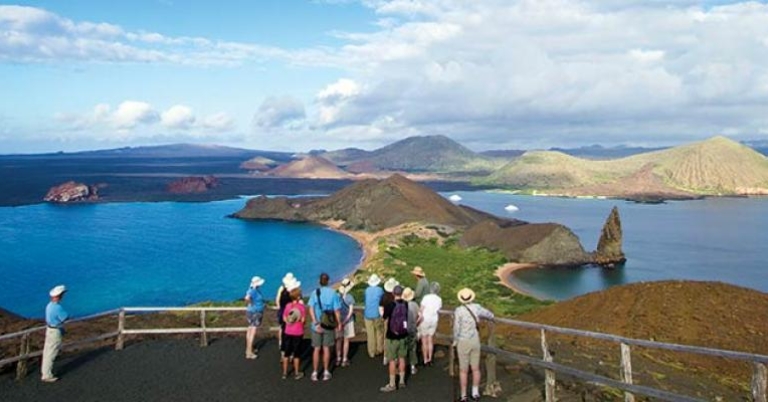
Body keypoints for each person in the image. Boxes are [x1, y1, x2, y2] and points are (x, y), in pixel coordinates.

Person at [453, 288, 495, 402]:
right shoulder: (477, 307)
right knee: (475, 368)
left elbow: (456, 328)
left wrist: (455, 341)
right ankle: (475, 392)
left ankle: (463, 395)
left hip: (463, 341)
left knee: (463, 370)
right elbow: (490, 315)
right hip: (474, 340)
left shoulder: (458, 311)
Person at [308, 272, 342, 381]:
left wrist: (315, 322)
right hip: (328, 324)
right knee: (326, 348)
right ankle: (326, 371)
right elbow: (337, 311)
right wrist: (339, 323)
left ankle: (315, 372)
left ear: (319, 281)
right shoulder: (333, 293)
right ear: (328, 281)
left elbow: (311, 309)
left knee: (316, 349)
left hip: (316, 325)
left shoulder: (315, 293)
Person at [379, 285, 409, 392]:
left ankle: (392, 384)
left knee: (392, 360)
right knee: (402, 358)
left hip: (391, 336)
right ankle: (402, 381)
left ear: (393, 293)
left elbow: (384, 317)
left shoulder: (390, 305)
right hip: (403, 335)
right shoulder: (406, 304)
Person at [41, 285, 69, 382]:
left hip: (49, 329)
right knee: (51, 353)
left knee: (47, 352)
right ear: (59, 296)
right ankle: (47, 375)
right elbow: (65, 317)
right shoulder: (57, 307)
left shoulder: (49, 305)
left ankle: (45, 372)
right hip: (55, 331)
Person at [281, 279, 305, 380]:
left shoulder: (288, 306)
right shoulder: (301, 307)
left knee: (287, 353)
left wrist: (288, 322)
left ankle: (284, 373)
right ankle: (296, 372)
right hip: (298, 332)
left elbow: (284, 317)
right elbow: (303, 320)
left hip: (288, 331)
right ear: (298, 297)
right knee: (296, 353)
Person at [419, 281, 442, 366]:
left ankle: (425, 359)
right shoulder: (439, 299)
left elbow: (421, 309)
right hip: (433, 320)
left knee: (424, 340)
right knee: (430, 340)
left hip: (425, 319)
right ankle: (430, 359)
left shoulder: (426, 297)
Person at [335, 277, 356, 367]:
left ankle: (338, 358)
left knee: (339, 340)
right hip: (348, 321)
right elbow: (350, 312)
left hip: (338, 320)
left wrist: (340, 321)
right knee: (346, 340)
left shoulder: (337, 296)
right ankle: (344, 359)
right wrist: (346, 321)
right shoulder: (349, 297)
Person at [364, 274, 385, 359]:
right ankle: (379, 349)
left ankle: (371, 352)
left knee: (370, 333)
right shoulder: (380, 290)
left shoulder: (367, 290)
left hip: (367, 314)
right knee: (379, 332)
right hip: (377, 313)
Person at [244, 276, 265, 359]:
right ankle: (249, 352)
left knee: (249, 329)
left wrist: (251, 303)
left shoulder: (251, 289)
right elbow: (247, 298)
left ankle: (248, 349)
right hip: (255, 312)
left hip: (250, 311)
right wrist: (252, 303)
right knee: (253, 330)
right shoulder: (253, 290)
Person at [379, 277, 399, 366]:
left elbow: (380, 308)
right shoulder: (396, 297)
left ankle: (385, 356)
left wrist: (383, 316)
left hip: (387, 319)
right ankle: (395, 356)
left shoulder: (384, 297)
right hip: (396, 320)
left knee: (386, 338)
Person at [402, 287, 421, 375]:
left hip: (403, 329)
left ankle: (402, 366)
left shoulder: (401, 305)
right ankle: (413, 366)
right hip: (412, 328)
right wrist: (416, 323)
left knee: (402, 347)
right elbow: (420, 316)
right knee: (412, 347)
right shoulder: (415, 305)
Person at [276, 272, 295, 349]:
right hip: (290, 310)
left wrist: (280, 308)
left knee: (281, 327)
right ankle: (288, 343)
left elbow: (277, 299)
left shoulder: (281, 288)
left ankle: (281, 342)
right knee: (289, 327)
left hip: (282, 310)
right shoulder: (293, 289)